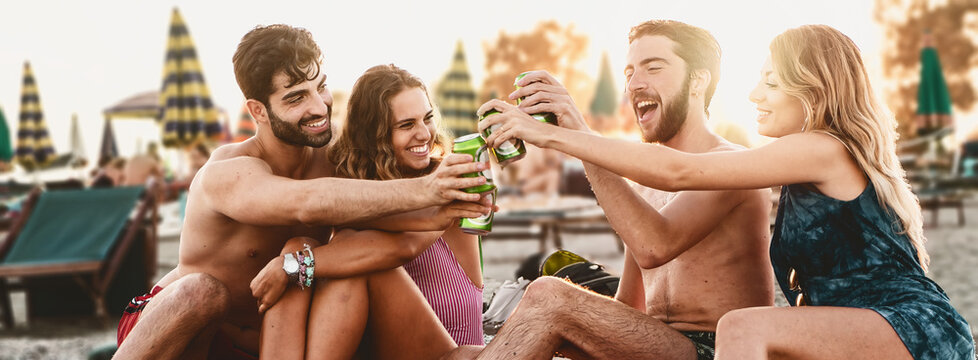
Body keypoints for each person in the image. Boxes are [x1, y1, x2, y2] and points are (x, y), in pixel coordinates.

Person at [481, 24, 976, 360]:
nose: (754, 94)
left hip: (909, 322)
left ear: (813, 87)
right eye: (630, 69)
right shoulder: (799, 164)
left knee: (741, 327)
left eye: (771, 82)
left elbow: (679, 173)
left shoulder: (822, 147)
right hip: (849, 322)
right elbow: (635, 295)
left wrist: (554, 133)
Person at [113, 24, 490, 360]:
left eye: (320, 87)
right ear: (258, 111)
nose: (318, 106)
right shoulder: (227, 173)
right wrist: (428, 190)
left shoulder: (333, 156)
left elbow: (393, 230)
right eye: (295, 98)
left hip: (261, 342)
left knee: (307, 248)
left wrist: (450, 203)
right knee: (202, 290)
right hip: (185, 326)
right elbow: (305, 202)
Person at [473, 20, 775, 359]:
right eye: (629, 72)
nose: (635, 83)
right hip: (660, 342)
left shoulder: (733, 164)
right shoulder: (645, 185)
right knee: (473, 350)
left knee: (548, 295)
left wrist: (575, 136)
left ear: (698, 80)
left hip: (720, 347)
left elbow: (654, 245)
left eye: (654, 68)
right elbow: (629, 306)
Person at [329, 64, 485, 346]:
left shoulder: (450, 182)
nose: (425, 134)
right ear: (372, 136)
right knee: (311, 244)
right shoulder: (352, 195)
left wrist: (292, 266)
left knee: (355, 252)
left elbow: (404, 247)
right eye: (406, 125)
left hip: (457, 348)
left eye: (427, 118)